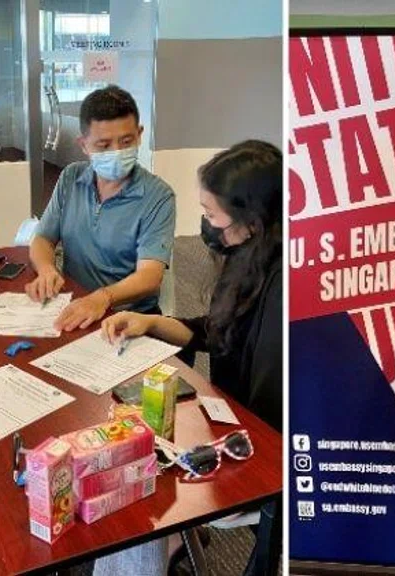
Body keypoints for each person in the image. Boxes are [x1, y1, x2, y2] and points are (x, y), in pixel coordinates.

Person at [95, 140, 283, 576]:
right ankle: (172, 542)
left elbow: (264, 425)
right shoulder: (246, 257)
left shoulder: (279, 291)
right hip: (227, 422)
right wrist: (152, 323)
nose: (205, 225)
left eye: (212, 214)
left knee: (132, 470)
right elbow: (215, 333)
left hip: (247, 449)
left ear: (251, 221)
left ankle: (167, 543)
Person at [26, 85, 176, 330]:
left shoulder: (158, 196)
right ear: (83, 145)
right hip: (74, 306)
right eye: (104, 145)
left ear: (139, 134)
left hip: (128, 318)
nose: (117, 152)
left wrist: (102, 298)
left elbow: (150, 276)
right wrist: (46, 270)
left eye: (126, 141)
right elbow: (43, 239)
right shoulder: (71, 178)